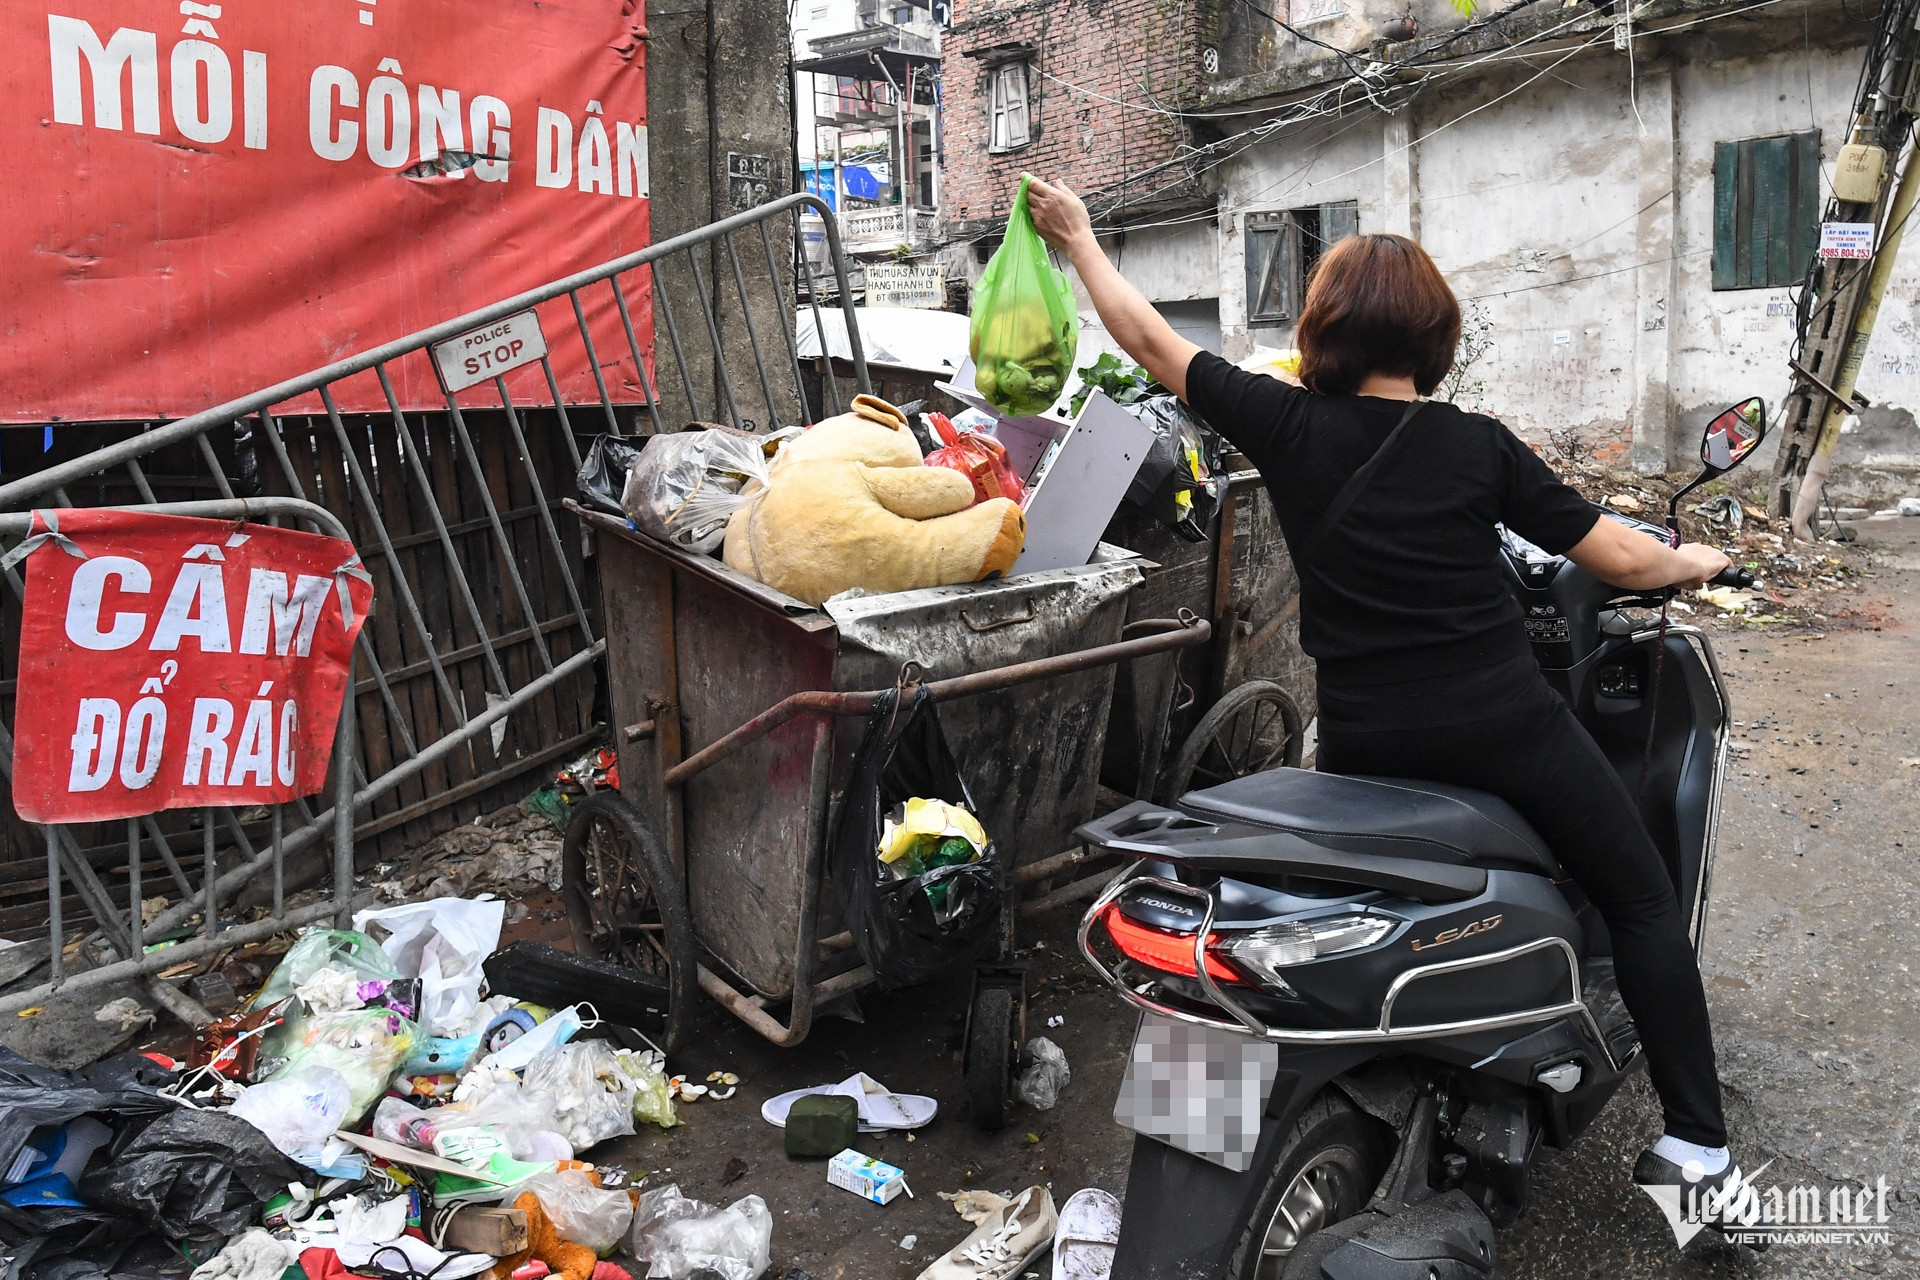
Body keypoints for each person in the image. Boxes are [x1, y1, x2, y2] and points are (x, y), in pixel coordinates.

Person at [1023, 175, 1740, 1194]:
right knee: (1639, 895)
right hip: (1505, 727)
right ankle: (1696, 1147)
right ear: (1433, 336)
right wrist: (1697, 564)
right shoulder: (1476, 446)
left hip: (1364, 744)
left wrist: (1082, 239)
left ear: (1325, 329)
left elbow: (1148, 342)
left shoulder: (1289, 424)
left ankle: (1234, 1126)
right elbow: (1620, 558)